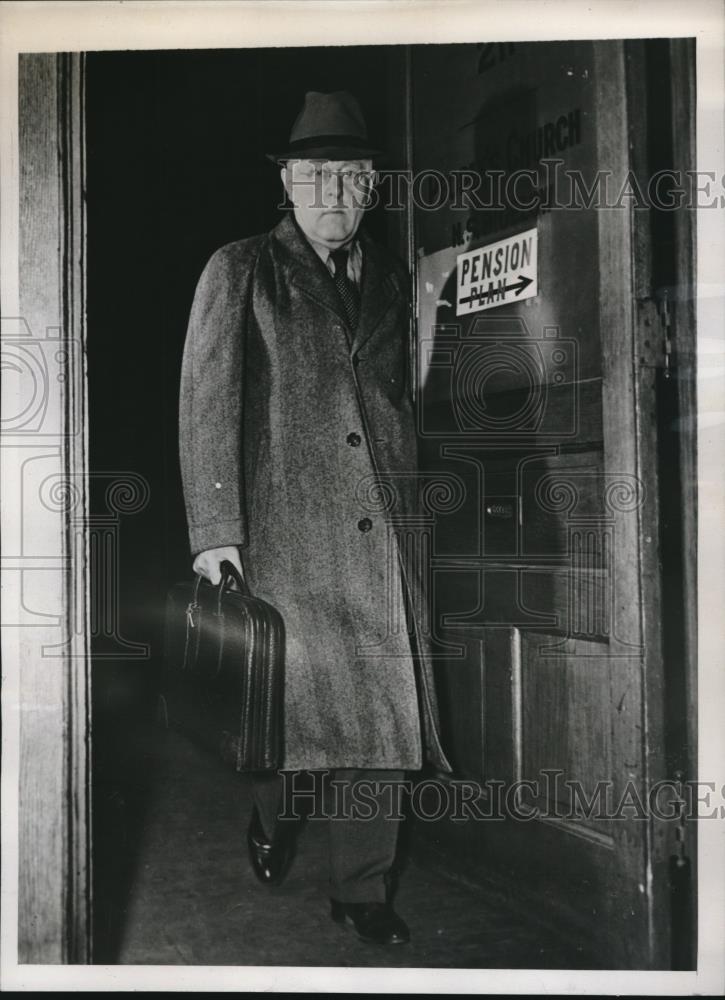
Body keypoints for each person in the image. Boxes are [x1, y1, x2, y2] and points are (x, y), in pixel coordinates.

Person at [179, 90, 450, 946]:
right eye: (318, 176)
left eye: (353, 177)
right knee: (287, 716)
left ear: (370, 190)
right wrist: (215, 535)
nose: (336, 194)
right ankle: (273, 812)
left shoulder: (392, 279)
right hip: (288, 537)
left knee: (378, 720)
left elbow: (404, 399)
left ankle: (360, 890)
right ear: (288, 184)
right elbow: (205, 406)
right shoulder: (240, 269)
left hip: (380, 544)